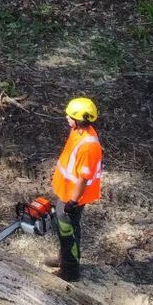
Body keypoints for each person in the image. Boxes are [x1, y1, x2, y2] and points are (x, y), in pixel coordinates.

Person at [49, 96, 103, 280]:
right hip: (66, 191)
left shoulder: (89, 146)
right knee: (64, 228)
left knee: (68, 232)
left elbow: (82, 178)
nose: (66, 117)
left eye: (70, 115)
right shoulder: (78, 131)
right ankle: (64, 258)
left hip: (73, 196)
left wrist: (72, 201)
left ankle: (70, 271)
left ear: (79, 119)